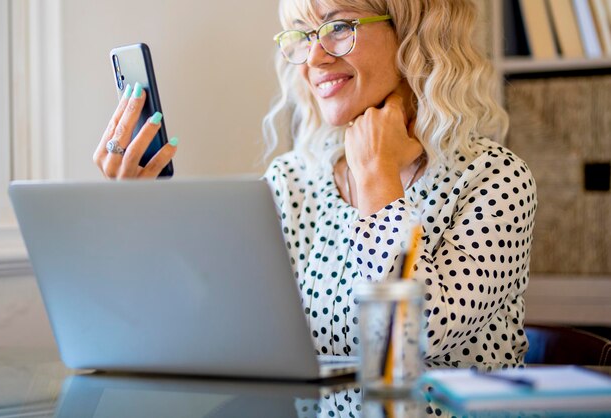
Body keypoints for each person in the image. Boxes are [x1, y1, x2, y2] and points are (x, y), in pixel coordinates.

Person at [93, 0, 537, 367]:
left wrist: (378, 179)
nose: (315, 58)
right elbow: (217, 328)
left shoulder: (495, 180)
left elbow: (407, 339)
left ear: (414, 34)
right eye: (303, 35)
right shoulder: (293, 181)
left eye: (339, 27)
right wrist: (137, 219)